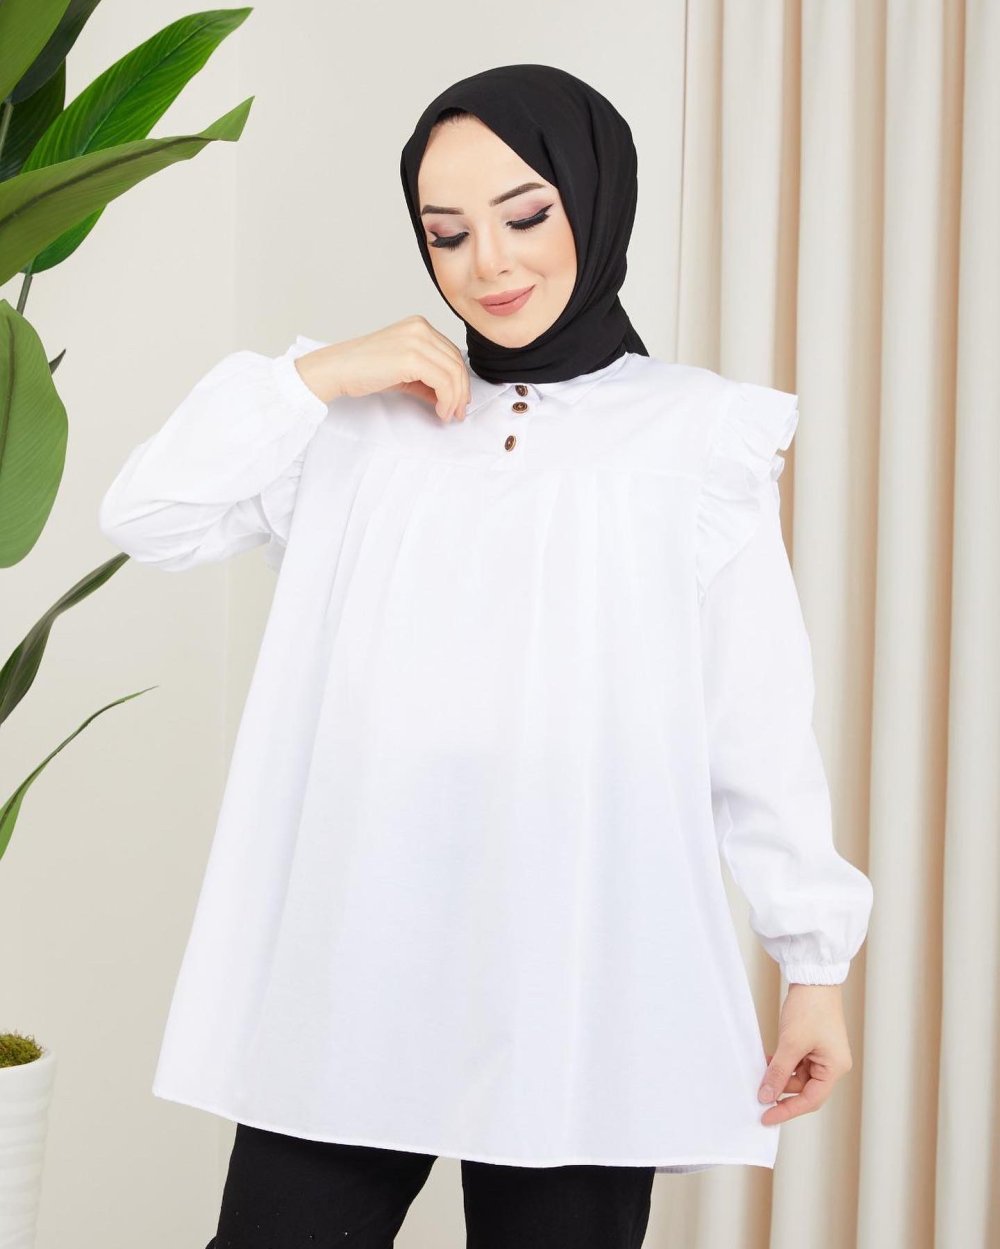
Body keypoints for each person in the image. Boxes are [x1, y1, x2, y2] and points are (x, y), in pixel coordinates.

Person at [98, 64, 874, 1247]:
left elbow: (754, 721)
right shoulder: (353, 421)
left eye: (525, 215)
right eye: (447, 234)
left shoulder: (697, 436)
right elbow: (148, 516)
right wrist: (315, 376)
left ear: (593, 199)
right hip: (358, 952)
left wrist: (812, 963)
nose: (488, 265)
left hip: (581, 965)